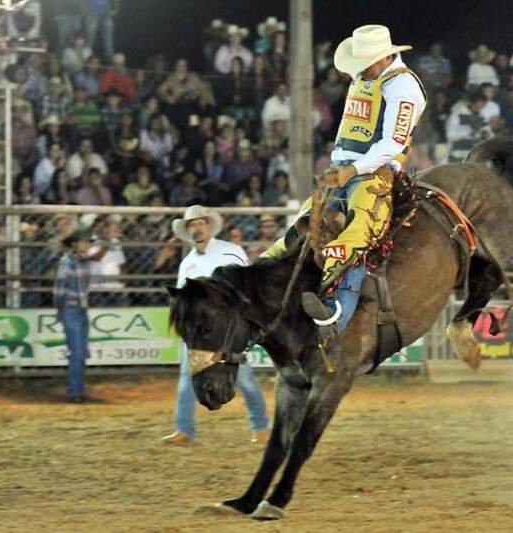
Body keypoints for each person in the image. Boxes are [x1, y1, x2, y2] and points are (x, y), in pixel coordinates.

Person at [263, 25, 426, 340]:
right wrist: (340, 164)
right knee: (304, 226)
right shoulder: (368, 79)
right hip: (344, 168)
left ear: (382, 57)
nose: (359, 69)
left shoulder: (403, 87)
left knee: (356, 236)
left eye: (364, 61)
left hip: (373, 175)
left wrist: (351, 170)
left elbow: (393, 143)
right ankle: (258, 276)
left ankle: (334, 316)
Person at [162, 205, 270, 445]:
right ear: (188, 230)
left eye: (201, 223)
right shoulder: (187, 263)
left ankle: (261, 427)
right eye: (192, 224)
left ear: (208, 226)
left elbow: (246, 282)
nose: (197, 228)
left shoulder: (230, 251)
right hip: (201, 332)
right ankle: (184, 429)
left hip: (225, 331)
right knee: (187, 380)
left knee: (244, 379)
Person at [53, 229, 92, 403]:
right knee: (78, 351)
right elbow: (59, 288)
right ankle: (75, 391)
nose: (87, 245)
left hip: (79, 309)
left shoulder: (82, 261)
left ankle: (77, 389)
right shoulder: (67, 261)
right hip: (72, 308)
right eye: (84, 242)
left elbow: (61, 288)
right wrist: (60, 309)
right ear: (75, 244)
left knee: (80, 351)